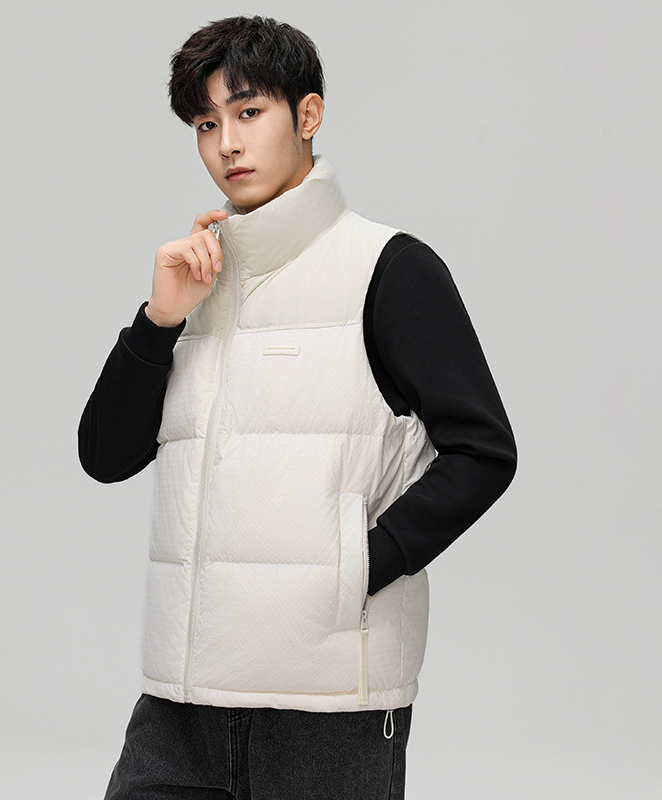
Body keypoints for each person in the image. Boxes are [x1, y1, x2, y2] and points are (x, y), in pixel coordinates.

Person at [78, 14, 517, 800]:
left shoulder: (389, 268)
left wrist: (357, 566)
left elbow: (484, 451)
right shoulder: (197, 281)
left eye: (249, 112)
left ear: (307, 115)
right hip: (180, 710)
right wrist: (159, 322)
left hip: (328, 713)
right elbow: (106, 457)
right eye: (206, 124)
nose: (227, 144)